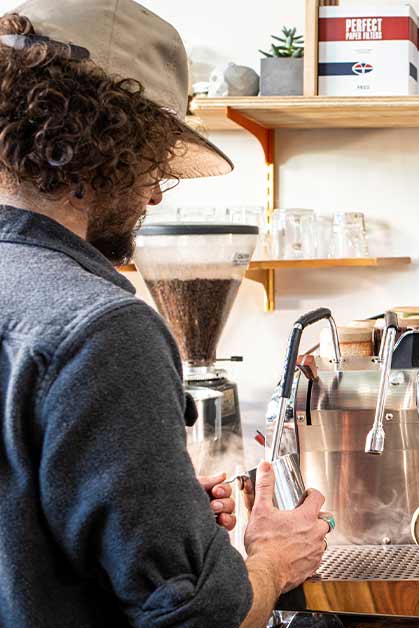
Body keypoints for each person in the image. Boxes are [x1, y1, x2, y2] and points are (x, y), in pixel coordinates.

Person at [0, 1, 330, 626]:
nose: (155, 191)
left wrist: (159, 509)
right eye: (155, 160)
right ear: (107, 141)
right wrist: (273, 560)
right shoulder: (101, 328)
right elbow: (194, 617)